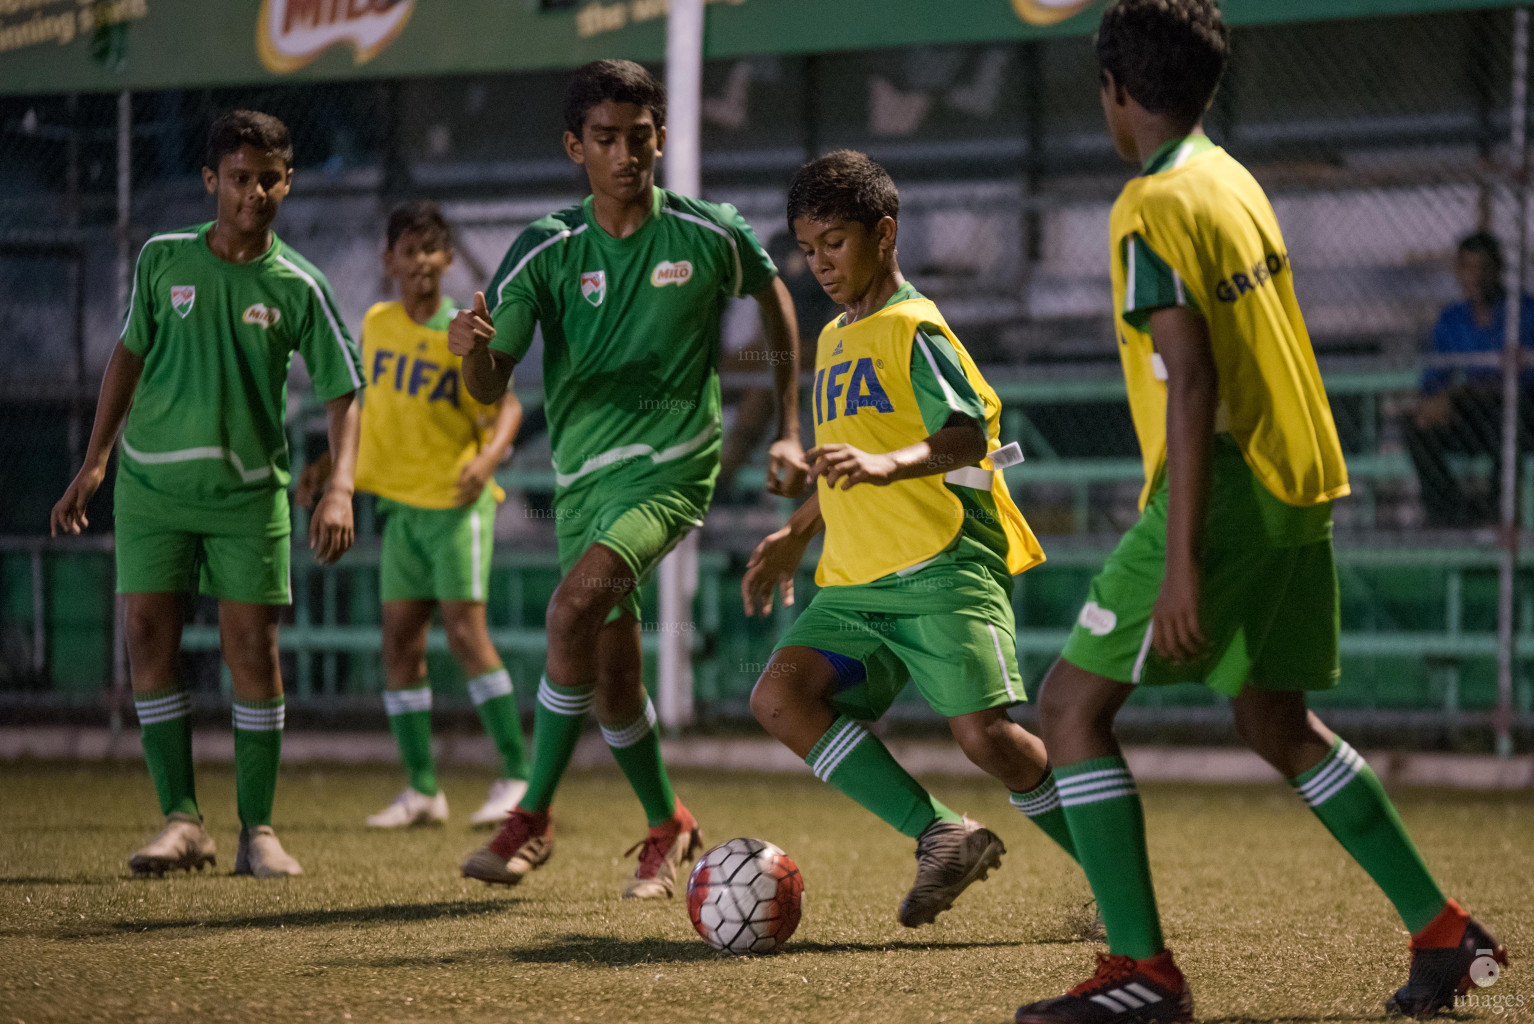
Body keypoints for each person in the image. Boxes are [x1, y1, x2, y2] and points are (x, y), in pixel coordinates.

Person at [1012, 3, 1508, 1021]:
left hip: (1229, 488)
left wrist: (1182, 561)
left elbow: (1189, 381)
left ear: (1114, 87)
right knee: (1271, 716)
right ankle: (1443, 930)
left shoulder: (1151, 204)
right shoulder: (1230, 177)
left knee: (1066, 709)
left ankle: (1142, 973)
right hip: (1299, 481)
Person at [449, 60, 806, 899]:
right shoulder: (544, 248)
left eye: (639, 138)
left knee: (570, 606)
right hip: (583, 480)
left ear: (662, 138)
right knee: (613, 684)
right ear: (576, 146)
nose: (625, 155)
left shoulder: (709, 231)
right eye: (605, 139)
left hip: (674, 469)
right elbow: (490, 383)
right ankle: (669, 824)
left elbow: (776, 300)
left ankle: (530, 817)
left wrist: (786, 423)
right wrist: (474, 354)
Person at [740, 150, 1081, 928]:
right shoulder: (831, 338)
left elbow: (968, 436)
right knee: (780, 697)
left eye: (834, 242)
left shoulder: (917, 328)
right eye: (807, 247)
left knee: (986, 737)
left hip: (943, 563)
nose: (819, 263)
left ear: (884, 233)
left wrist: (889, 464)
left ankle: (1113, 872)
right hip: (856, 584)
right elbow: (845, 466)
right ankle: (941, 835)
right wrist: (798, 532)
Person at [50, 110, 364, 879]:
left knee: (250, 650)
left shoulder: (300, 285)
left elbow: (344, 392)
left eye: (268, 179)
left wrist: (340, 488)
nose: (252, 193)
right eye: (237, 179)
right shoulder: (162, 260)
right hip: (153, 486)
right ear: (209, 182)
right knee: (147, 637)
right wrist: (96, 462)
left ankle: (259, 832)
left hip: (248, 496)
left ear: (287, 183)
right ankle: (182, 821)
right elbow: (126, 359)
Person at [299, 202, 531, 829]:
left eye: (433, 250)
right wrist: (326, 467)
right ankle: (423, 788)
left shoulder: (461, 333)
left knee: (465, 635)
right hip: (399, 508)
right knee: (399, 644)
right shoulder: (375, 323)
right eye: (410, 250)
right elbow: (367, 407)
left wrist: (487, 460)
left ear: (448, 259)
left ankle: (517, 777)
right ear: (390, 260)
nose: (422, 262)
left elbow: (506, 407)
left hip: (456, 506)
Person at [1404, 231, 1534, 528]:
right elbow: (1434, 380)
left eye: (1482, 268)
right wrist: (1432, 403)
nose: (1473, 278)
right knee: (1417, 427)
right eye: (1466, 268)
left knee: (1509, 418)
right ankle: (1450, 514)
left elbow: (1521, 382)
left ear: (1498, 270)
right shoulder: (1451, 320)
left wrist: (1461, 394)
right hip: (1472, 417)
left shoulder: (1524, 313)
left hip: (1517, 414)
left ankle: (1496, 513)